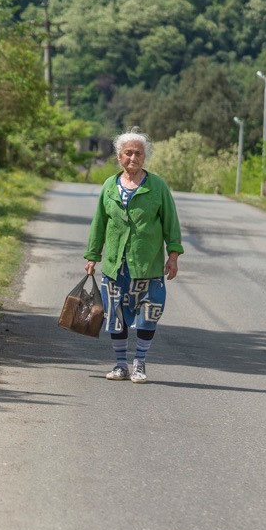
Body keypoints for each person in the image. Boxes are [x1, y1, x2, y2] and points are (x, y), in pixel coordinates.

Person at [83, 131, 182, 383]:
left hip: (147, 266)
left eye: (138, 153)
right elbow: (99, 223)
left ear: (144, 157)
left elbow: (171, 222)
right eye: (128, 153)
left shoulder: (157, 186)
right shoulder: (109, 186)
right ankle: (120, 365)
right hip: (116, 266)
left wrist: (173, 255)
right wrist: (93, 255)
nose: (133, 157)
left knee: (150, 312)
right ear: (119, 157)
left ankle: (139, 364)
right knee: (115, 316)